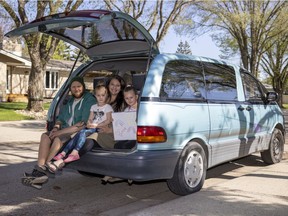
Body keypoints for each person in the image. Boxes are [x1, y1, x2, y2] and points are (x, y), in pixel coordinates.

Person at [21, 76, 96, 189]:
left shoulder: (89, 99)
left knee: (57, 139)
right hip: (63, 130)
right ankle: (40, 170)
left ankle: (42, 173)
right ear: (70, 88)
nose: (76, 89)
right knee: (45, 136)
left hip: (75, 132)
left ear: (83, 87)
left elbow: (82, 124)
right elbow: (60, 118)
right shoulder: (70, 101)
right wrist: (55, 128)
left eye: (79, 86)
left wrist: (58, 133)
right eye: (73, 87)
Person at [50, 84, 113, 170]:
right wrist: (89, 123)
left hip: (100, 128)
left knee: (82, 132)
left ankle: (75, 152)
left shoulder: (108, 107)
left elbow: (109, 120)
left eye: (103, 95)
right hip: (92, 127)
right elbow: (90, 119)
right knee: (78, 134)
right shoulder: (93, 107)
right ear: (95, 96)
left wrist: (96, 125)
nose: (101, 97)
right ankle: (64, 153)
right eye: (98, 95)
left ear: (107, 96)